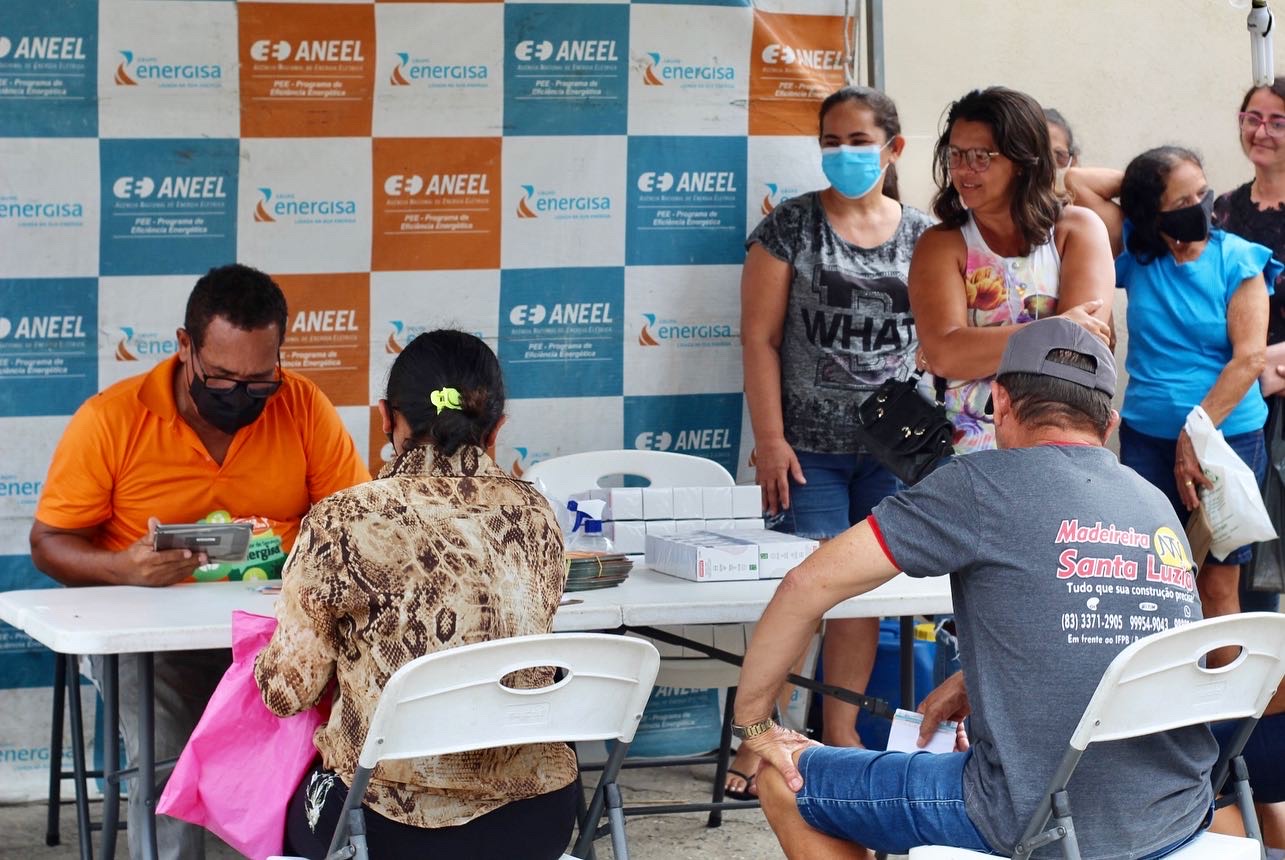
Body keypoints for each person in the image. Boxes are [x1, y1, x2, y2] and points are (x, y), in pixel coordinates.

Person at [733, 317, 1217, 859]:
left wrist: (755, 726)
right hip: (1173, 815)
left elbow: (805, 584)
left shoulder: (978, 484)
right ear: (1109, 423)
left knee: (785, 779)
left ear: (1001, 402)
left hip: (1030, 816)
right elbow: (1119, 636)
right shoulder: (1154, 503)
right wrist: (976, 679)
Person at [29, 264, 371, 860]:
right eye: (221, 379)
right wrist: (124, 568)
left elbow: (356, 524)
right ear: (185, 346)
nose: (239, 395)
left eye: (259, 383)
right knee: (165, 743)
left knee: (343, 729)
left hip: (280, 631)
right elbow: (48, 543)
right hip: (150, 640)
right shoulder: (112, 420)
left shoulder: (301, 406)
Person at [254, 330, 578, 860]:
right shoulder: (537, 515)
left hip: (387, 830)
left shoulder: (343, 519)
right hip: (535, 823)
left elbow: (286, 693)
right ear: (497, 426)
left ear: (386, 417)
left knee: (282, 800)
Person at [738, 85, 934, 795]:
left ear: (893, 148)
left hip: (896, 448)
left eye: (858, 141)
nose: (843, 153)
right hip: (806, 451)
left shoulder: (926, 235)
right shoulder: (790, 226)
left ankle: (840, 731)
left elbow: (941, 340)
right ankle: (761, 736)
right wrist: (770, 438)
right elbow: (758, 339)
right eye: (831, 141)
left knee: (863, 595)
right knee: (801, 593)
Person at [1110, 146, 1279, 629]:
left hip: (1226, 442)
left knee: (1217, 586)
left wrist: (1194, 432)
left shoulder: (1239, 259)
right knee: (1152, 582)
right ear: (1151, 214)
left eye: (1202, 193)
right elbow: (1077, 184)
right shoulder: (1138, 252)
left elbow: (1249, 359)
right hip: (1147, 440)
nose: (1200, 207)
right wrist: (1137, 183)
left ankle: (1226, 683)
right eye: (1183, 200)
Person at [909, 86, 1114, 455]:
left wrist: (973, 346)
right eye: (955, 154)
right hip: (959, 452)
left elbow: (1081, 350)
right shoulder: (941, 243)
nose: (963, 169)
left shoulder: (1077, 230)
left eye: (981, 157)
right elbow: (944, 354)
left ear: (1021, 160)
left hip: (1055, 448)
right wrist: (1054, 328)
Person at [1213, 78, 1285, 618]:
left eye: (1277, 122)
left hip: (1275, 395)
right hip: (1236, 398)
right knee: (1234, 550)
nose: (1261, 131)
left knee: (1271, 551)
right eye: (1252, 118)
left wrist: (1272, 362)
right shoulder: (1223, 210)